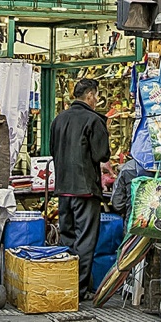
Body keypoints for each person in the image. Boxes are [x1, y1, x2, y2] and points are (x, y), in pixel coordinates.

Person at [49, 78, 110, 300]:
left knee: (67, 237)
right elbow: (101, 155)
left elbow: (53, 150)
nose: (97, 100)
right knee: (85, 239)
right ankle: (79, 289)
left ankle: (66, 284)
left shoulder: (58, 119)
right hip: (85, 188)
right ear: (90, 95)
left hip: (63, 187)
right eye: (96, 96)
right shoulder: (93, 120)